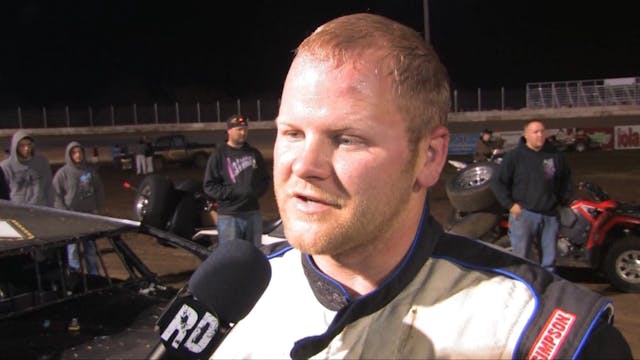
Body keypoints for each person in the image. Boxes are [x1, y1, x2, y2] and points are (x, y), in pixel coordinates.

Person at [210, 14, 630, 359]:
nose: (304, 166)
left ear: (429, 157)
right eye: (293, 133)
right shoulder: (226, 298)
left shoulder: (532, 330)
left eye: (347, 139)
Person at [491, 120, 573, 272]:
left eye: (542, 131)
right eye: (535, 132)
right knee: (522, 258)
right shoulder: (514, 156)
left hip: (550, 215)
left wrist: (562, 201)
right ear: (526, 135)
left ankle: (546, 291)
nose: (540, 135)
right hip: (524, 215)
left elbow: (566, 179)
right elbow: (497, 182)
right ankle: (524, 289)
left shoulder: (555, 155)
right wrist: (510, 205)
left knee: (549, 260)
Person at [203, 115, 271, 246]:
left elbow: (265, 179)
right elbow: (209, 186)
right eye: (239, 129)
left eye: (245, 129)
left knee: (254, 253)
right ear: (229, 131)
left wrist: (254, 192)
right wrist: (234, 192)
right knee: (232, 256)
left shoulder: (254, 153)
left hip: (253, 213)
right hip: (229, 216)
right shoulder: (218, 155)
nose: (243, 133)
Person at [52, 141, 106, 275]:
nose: (78, 155)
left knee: (90, 249)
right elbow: (55, 193)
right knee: (72, 250)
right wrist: (64, 211)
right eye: (74, 153)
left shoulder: (90, 171)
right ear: (69, 155)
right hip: (72, 216)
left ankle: (94, 276)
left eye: (80, 152)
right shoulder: (63, 173)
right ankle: (75, 277)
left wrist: (98, 207)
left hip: (89, 215)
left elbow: (99, 190)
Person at [0, 130, 54, 206]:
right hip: (18, 211)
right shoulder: (5, 167)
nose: (26, 148)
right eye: (22, 145)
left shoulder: (42, 162)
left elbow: (49, 188)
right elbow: (3, 195)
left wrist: (51, 208)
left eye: (29, 145)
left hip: (40, 210)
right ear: (15, 146)